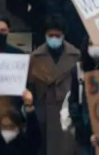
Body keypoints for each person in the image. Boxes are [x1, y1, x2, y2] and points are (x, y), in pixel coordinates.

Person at [27, 15, 80, 155]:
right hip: (44, 110)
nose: (54, 38)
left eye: (58, 35)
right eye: (51, 35)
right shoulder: (35, 57)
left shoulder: (75, 56)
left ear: (63, 35)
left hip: (67, 110)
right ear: (45, 35)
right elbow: (30, 85)